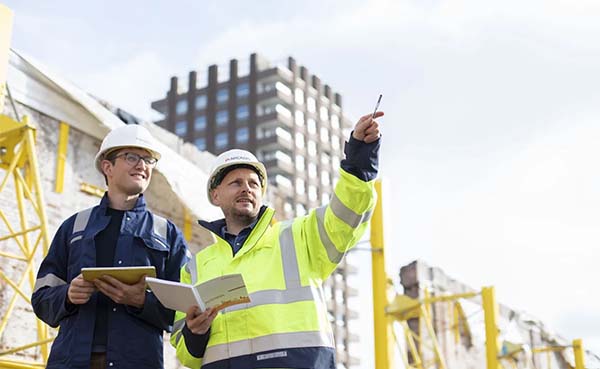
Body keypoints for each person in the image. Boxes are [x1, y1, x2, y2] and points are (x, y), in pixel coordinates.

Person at [171, 111, 383, 369]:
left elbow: (347, 212)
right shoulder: (194, 269)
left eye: (253, 183)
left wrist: (359, 159)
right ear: (215, 196)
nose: (246, 188)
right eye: (235, 183)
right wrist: (195, 333)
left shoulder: (300, 237)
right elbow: (186, 355)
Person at [32, 125, 189, 369]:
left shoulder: (166, 233)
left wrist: (142, 301)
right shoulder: (74, 227)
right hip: (72, 361)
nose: (142, 165)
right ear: (108, 167)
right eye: (131, 157)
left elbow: (185, 309)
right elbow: (41, 298)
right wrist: (68, 296)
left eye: (148, 160)